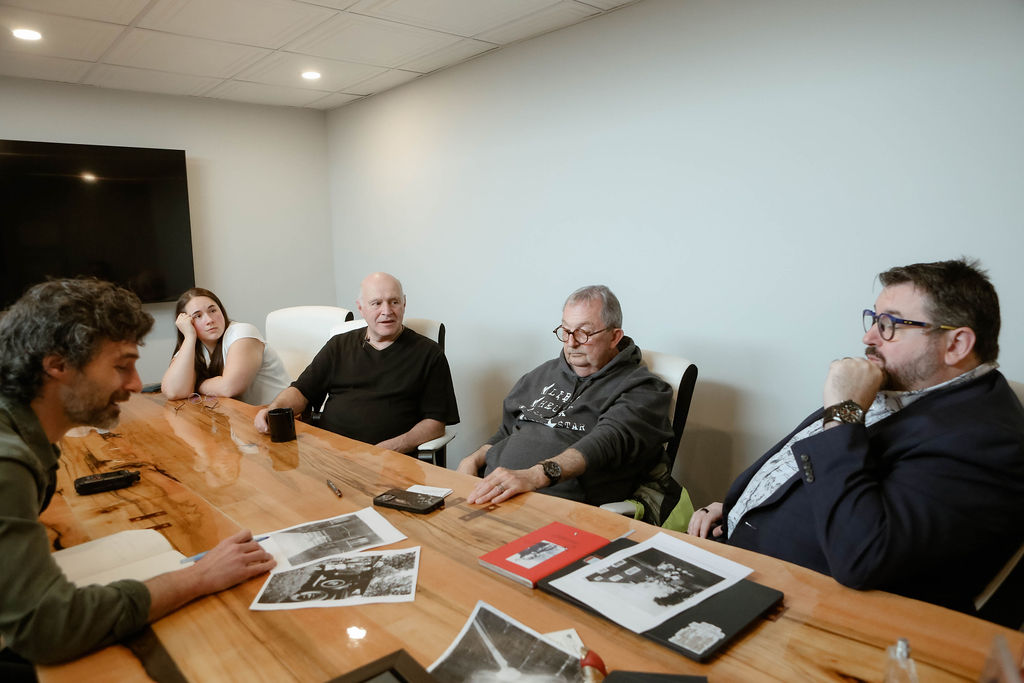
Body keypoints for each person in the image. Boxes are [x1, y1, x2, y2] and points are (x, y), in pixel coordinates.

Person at [687, 258, 1024, 616]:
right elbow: (824, 476)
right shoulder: (905, 385)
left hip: (808, 616)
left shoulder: (986, 440)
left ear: (956, 344)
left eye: (890, 324)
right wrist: (737, 505)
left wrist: (844, 412)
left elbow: (863, 554)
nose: (869, 337)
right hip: (737, 560)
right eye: (874, 319)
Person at [0, 279, 275, 669]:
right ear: (56, 365)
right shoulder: (7, 465)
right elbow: (48, 627)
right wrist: (199, 576)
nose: (134, 383)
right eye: (121, 366)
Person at [459, 285, 674, 514]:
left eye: (584, 333)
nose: (571, 343)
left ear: (614, 337)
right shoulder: (540, 375)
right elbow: (509, 430)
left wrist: (533, 476)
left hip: (561, 509)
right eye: (566, 331)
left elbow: (605, 442)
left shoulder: (644, 389)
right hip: (492, 492)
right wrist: (474, 458)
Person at [254, 273, 459, 455]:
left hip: (391, 460)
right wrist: (274, 409)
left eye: (394, 302)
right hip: (331, 453)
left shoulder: (429, 354)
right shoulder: (339, 345)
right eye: (376, 303)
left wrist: (392, 448)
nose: (386, 311)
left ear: (404, 303)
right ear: (361, 307)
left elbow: (436, 423)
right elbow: (302, 391)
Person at [161, 287, 290, 406]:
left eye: (212, 310)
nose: (209, 320)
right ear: (188, 323)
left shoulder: (242, 333)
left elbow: (229, 388)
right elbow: (173, 391)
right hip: (241, 419)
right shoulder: (193, 346)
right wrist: (189, 337)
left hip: (283, 417)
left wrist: (197, 384)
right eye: (198, 316)